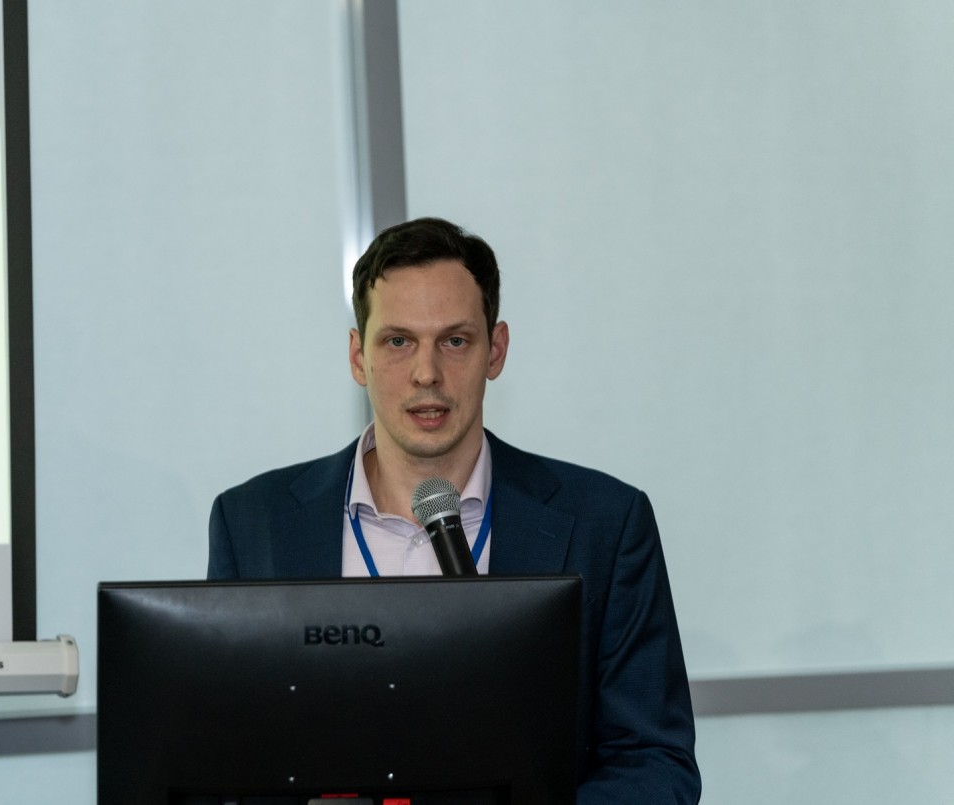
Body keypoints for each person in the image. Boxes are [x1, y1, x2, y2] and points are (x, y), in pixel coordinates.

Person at [208, 217, 701, 803]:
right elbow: (219, 759)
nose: (427, 373)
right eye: (398, 342)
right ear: (358, 357)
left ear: (496, 350)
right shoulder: (252, 523)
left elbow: (653, 760)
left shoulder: (607, 524)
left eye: (455, 341)